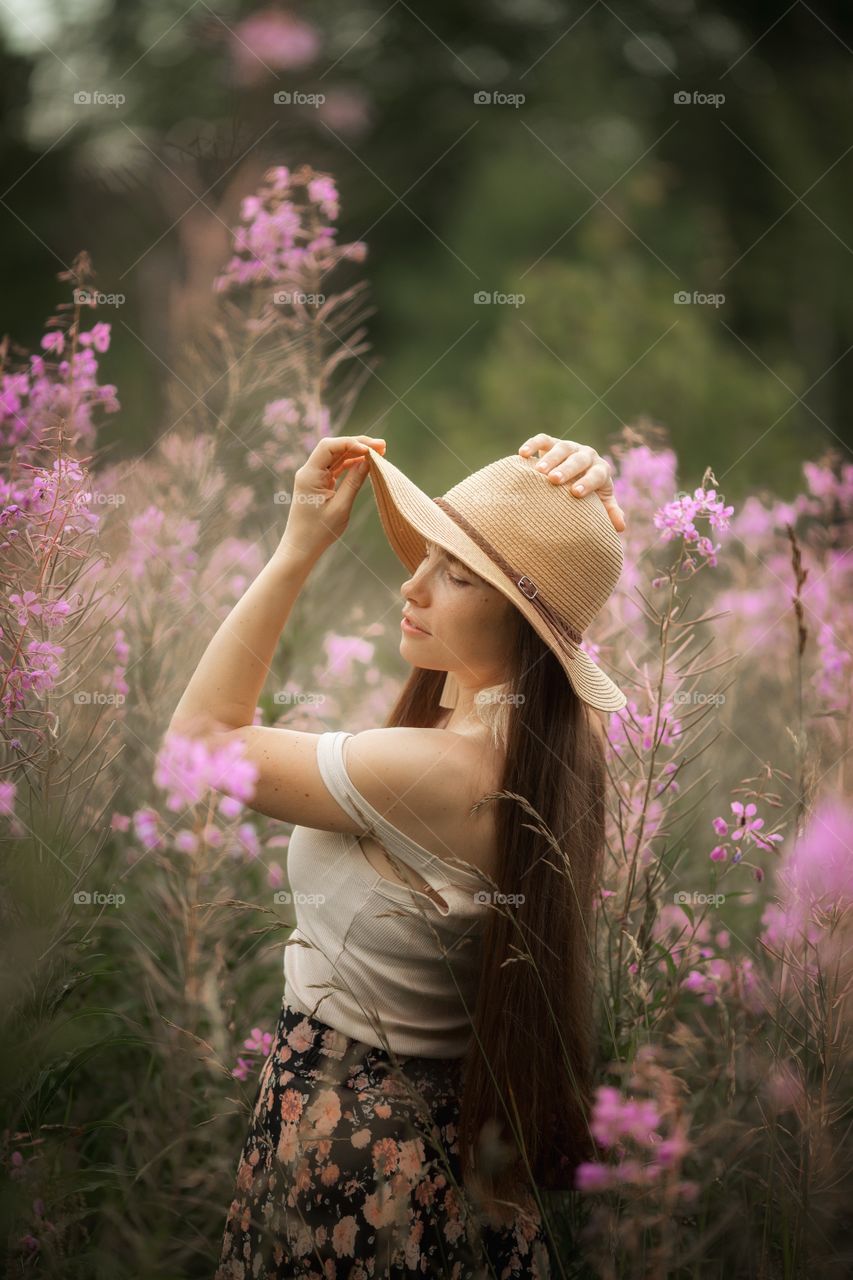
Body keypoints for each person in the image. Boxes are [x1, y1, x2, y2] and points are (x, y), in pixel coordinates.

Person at [166, 433, 628, 1278]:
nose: (410, 583)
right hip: (441, 1155)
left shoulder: (433, 770)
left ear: (522, 626)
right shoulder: (556, 750)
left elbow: (198, 744)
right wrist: (575, 489)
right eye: (428, 556)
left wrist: (298, 545)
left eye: (455, 575)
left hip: (354, 1158)